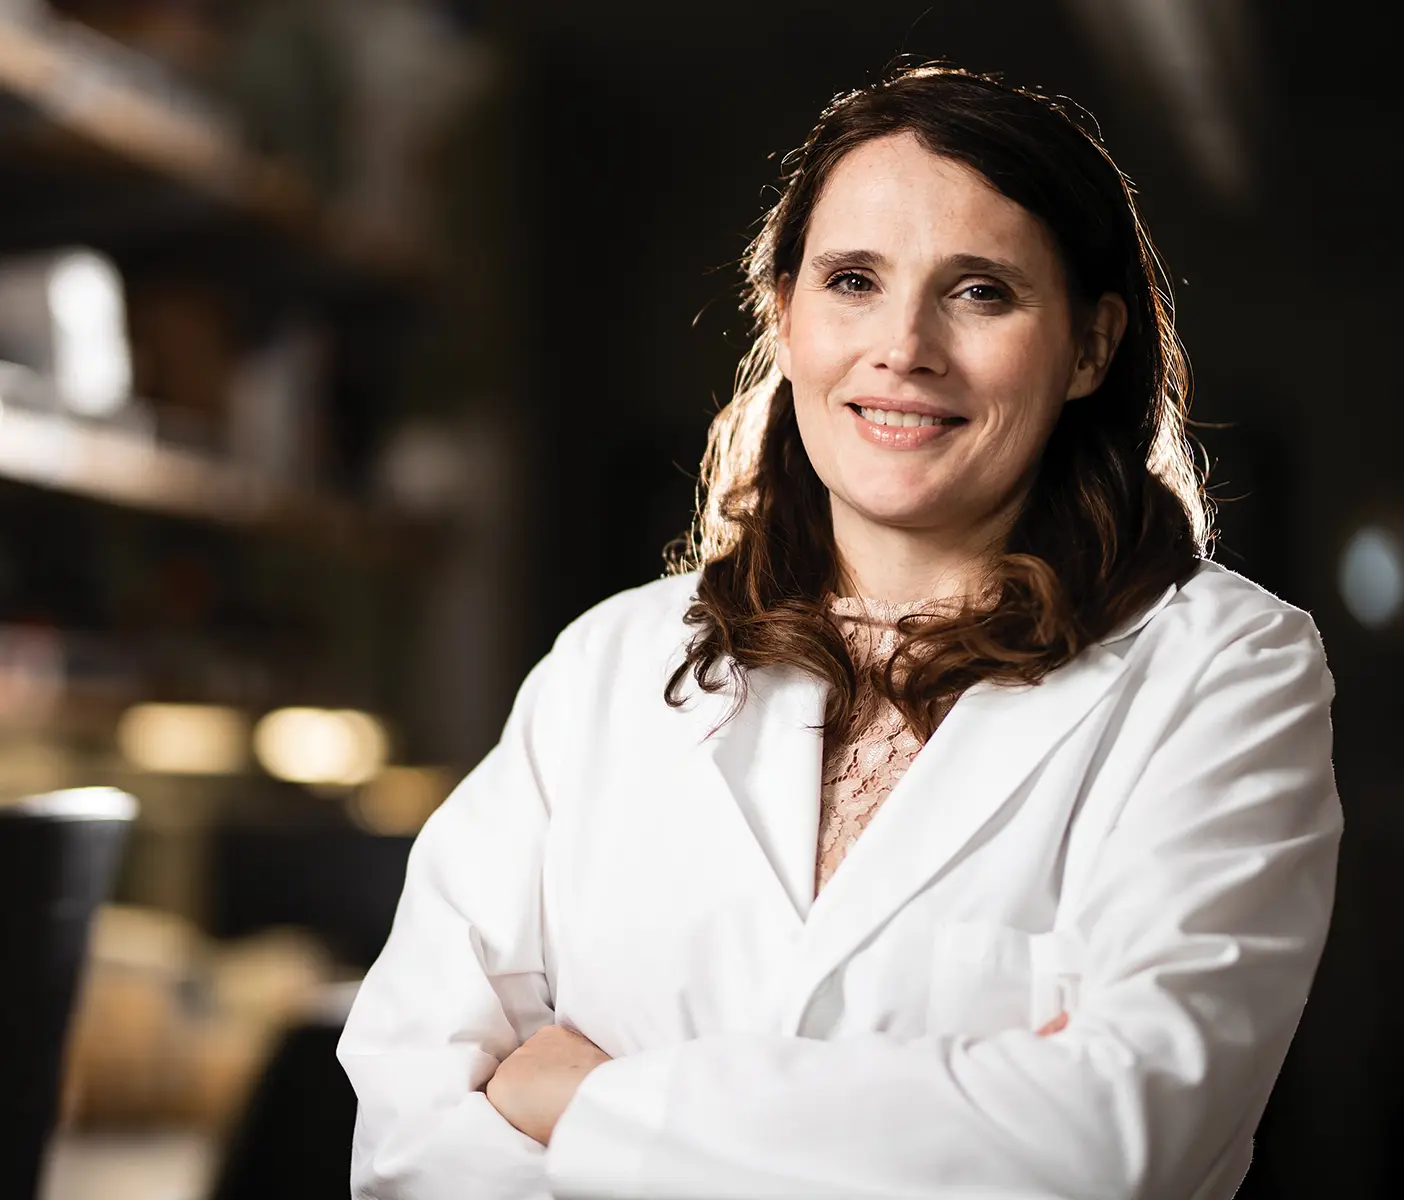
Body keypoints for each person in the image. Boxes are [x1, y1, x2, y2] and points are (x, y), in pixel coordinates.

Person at [338, 65, 1341, 1200]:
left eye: (982, 293)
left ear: (1090, 347)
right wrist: (949, 1108)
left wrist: (584, 1103)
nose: (903, 346)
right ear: (784, 312)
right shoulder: (610, 666)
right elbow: (412, 1118)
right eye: (853, 279)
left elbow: (1110, 1141)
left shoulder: (1221, 670)